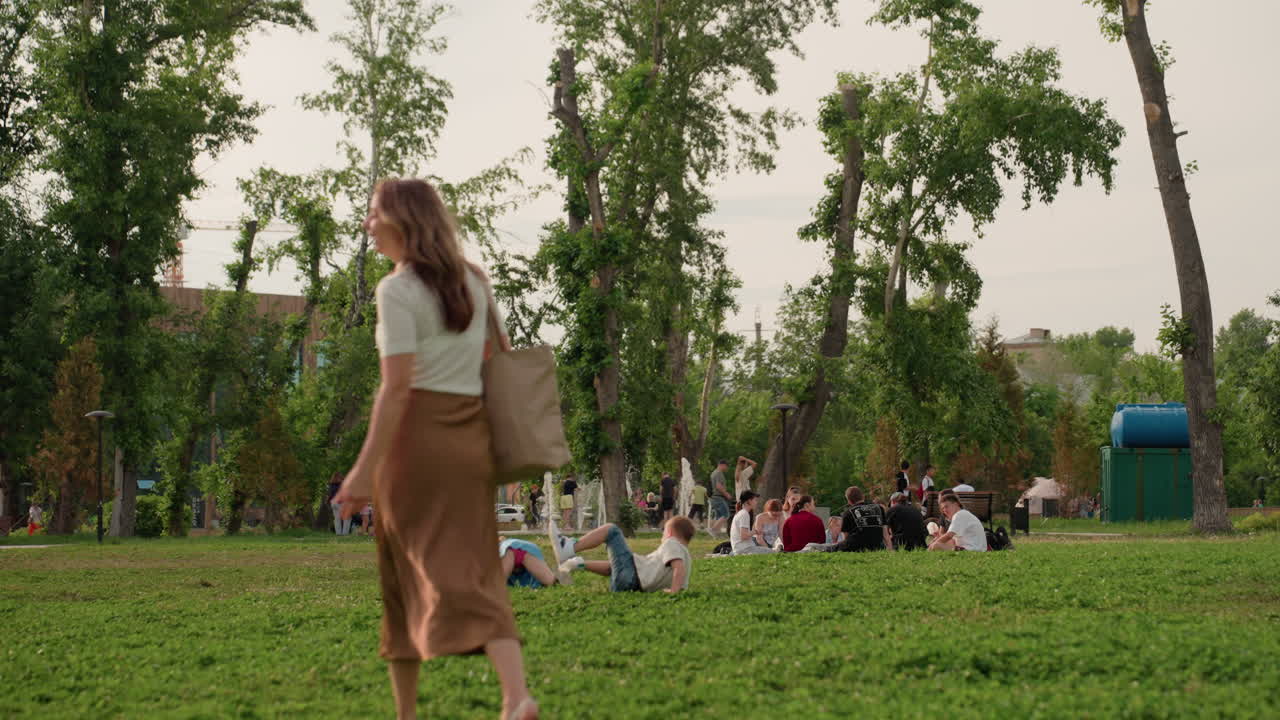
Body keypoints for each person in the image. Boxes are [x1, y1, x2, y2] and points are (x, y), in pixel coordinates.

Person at [332, 178, 537, 720]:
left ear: (403, 219)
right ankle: (515, 696)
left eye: (374, 214)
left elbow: (396, 390)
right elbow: (497, 356)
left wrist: (360, 473)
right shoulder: (475, 280)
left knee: (406, 574)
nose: (367, 225)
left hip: (416, 443)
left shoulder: (396, 290)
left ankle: (414, 714)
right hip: (472, 440)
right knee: (478, 569)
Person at [552, 516, 694, 594]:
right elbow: (613, 568)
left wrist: (673, 592)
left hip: (631, 578)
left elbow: (678, 568)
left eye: (663, 533)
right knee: (618, 565)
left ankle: (569, 548)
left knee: (611, 530)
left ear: (669, 533)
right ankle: (577, 563)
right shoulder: (687, 560)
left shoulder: (672, 543)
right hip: (629, 586)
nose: (662, 538)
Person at [827, 486, 891, 552]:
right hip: (877, 546)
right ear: (863, 496)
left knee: (828, 548)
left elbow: (846, 538)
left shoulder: (848, 513)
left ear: (849, 501)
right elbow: (885, 534)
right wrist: (890, 550)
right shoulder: (879, 508)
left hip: (856, 547)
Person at [499, 537, 569, 589]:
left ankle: (565, 568)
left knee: (551, 581)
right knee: (550, 581)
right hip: (519, 555)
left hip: (519, 551)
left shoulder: (509, 549)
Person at [730, 491, 773, 555]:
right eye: (755, 500)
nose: (756, 502)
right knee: (773, 552)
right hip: (744, 549)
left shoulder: (741, 513)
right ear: (749, 501)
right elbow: (743, 536)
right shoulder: (744, 514)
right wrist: (755, 531)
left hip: (742, 548)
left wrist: (754, 532)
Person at [709, 460, 733, 536]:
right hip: (718, 497)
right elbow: (718, 486)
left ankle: (715, 533)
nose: (727, 468)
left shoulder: (714, 473)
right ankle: (712, 530)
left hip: (715, 497)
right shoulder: (718, 473)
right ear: (722, 465)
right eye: (726, 466)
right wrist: (727, 494)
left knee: (718, 516)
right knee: (726, 515)